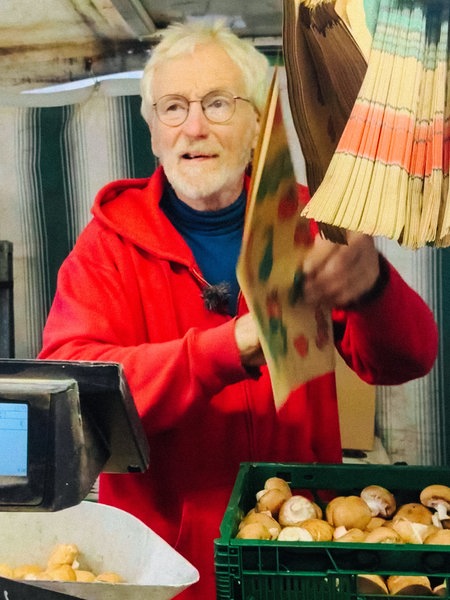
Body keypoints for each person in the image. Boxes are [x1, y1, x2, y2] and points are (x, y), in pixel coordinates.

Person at [38, 20, 439, 599]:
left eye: (218, 103)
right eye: (172, 107)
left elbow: (410, 358)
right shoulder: (108, 247)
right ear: (152, 132)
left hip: (297, 550)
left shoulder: (310, 225)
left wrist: (373, 287)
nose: (193, 127)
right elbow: (76, 387)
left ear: (258, 123)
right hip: (167, 573)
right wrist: (232, 346)